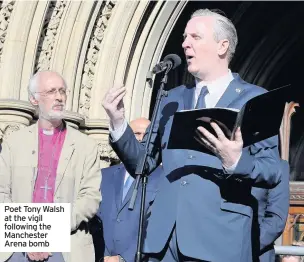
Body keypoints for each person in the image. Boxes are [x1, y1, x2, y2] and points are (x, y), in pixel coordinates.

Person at [102, 8, 283, 262]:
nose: (185, 43)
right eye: (185, 37)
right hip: (164, 242)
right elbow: (143, 165)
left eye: (195, 37)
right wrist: (118, 122)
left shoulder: (254, 99)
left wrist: (236, 162)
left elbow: (272, 170)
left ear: (222, 46)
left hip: (220, 238)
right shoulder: (171, 99)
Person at [0, 71, 101, 262]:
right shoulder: (14, 142)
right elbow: (2, 192)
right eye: (51, 91)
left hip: (66, 248)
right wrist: (29, 235)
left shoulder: (86, 146)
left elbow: (90, 198)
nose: (59, 97)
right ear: (34, 99)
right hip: (17, 246)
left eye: (62, 91)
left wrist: (48, 231)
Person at [95, 117, 162, 262]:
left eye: (147, 135)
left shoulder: (164, 178)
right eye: (136, 134)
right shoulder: (104, 175)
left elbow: (159, 228)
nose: (141, 139)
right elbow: (94, 219)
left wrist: (124, 258)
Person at [252, 160, 290, 262]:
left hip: (256, 253)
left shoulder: (278, 166)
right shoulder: (214, 161)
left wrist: (246, 245)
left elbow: (276, 220)